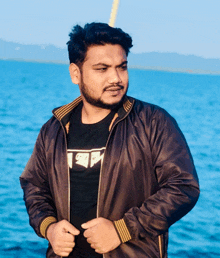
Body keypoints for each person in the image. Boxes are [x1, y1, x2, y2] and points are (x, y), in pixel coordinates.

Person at [20, 22, 200, 258]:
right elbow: (34, 186)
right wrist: (49, 227)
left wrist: (121, 230)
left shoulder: (153, 122)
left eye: (122, 67)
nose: (116, 78)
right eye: (102, 69)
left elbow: (183, 187)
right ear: (76, 73)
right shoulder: (54, 129)